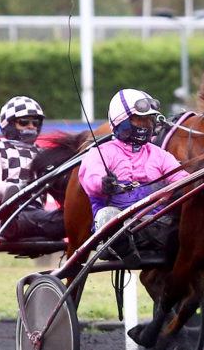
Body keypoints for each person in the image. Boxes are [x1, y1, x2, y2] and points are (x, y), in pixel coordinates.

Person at [78, 88, 188, 262]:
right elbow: (90, 180)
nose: (147, 125)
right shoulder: (101, 153)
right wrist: (103, 184)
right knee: (106, 214)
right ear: (122, 121)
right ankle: (123, 250)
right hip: (118, 228)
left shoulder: (160, 155)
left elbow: (182, 179)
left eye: (149, 120)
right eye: (139, 120)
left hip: (157, 225)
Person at [0, 95, 65, 241]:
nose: (31, 126)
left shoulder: (42, 154)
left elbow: (60, 186)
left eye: (35, 122)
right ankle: (11, 222)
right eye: (24, 122)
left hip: (37, 213)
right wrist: (12, 190)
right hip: (7, 214)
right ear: (8, 124)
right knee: (59, 220)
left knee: (76, 218)